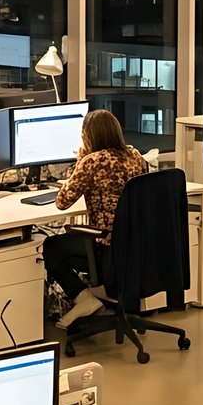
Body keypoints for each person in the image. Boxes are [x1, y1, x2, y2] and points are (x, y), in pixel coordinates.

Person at [45, 108, 150, 329]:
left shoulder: (92, 162)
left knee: (51, 246)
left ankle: (84, 299)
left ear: (88, 136)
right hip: (137, 246)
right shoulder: (136, 157)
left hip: (107, 246)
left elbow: (62, 201)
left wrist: (81, 160)